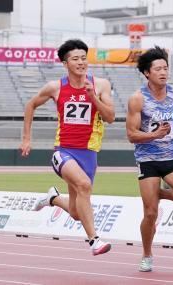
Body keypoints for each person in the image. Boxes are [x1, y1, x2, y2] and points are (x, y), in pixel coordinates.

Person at [19, 39, 115, 256]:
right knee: (83, 185)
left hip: (89, 154)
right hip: (64, 151)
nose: (81, 62)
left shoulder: (101, 85)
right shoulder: (56, 87)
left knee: (75, 211)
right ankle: (94, 241)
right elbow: (30, 105)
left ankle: (52, 198)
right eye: (75, 59)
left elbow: (110, 117)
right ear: (65, 63)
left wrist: (93, 97)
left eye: (84, 58)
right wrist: (26, 138)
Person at [125, 46, 173, 272]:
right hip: (147, 158)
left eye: (165, 68)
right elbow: (131, 135)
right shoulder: (138, 99)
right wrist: (153, 135)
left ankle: (158, 193)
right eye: (158, 69)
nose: (163, 72)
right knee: (150, 213)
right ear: (147, 73)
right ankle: (147, 254)